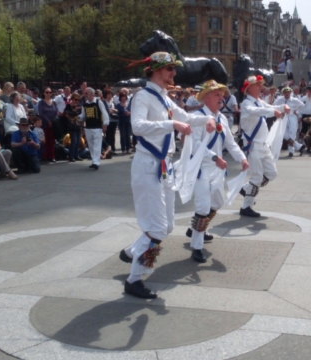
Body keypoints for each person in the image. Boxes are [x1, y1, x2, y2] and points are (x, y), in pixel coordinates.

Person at [118, 52, 217, 299]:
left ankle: (132, 252)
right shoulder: (143, 96)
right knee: (158, 227)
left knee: (168, 225)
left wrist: (208, 119)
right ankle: (134, 279)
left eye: (173, 69)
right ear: (155, 71)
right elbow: (137, 126)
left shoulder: (164, 98)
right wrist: (170, 126)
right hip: (147, 165)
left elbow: (185, 117)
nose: (174, 74)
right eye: (170, 69)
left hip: (164, 166)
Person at [185, 80, 249, 262]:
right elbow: (195, 145)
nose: (221, 98)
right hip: (202, 168)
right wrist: (214, 157)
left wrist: (242, 158)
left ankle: (196, 228)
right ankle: (196, 246)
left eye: (222, 95)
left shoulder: (221, 118)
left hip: (217, 169)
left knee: (218, 202)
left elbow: (230, 142)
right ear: (206, 98)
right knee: (203, 206)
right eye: (217, 95)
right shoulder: (198, 117)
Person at [238, 75, 290, 217]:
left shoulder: (259, 101)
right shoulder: (246, 104)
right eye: (257, 85)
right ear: (249, 88)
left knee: (272, 173)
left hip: (263, 144)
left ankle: (246, 189)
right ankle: (246, 206)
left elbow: (270, 107)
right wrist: (273, 112)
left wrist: (282, 107)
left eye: (260, 84)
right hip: (252, 144)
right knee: (256, 177)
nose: (260, 87)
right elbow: (258, 111)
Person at [79, 87, 109, 170]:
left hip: (97, 127)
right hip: (88, 127)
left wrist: (105, 124)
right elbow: (83, 115)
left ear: (92, 94)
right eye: (84, 93)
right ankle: (94, 160)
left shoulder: (99, 102)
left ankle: (96, 162)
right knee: (91, 145)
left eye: (86, 93)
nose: (85, 95)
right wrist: (77, 117)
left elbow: (104, 113)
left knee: (97, 145)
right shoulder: (85, 104)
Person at [274, 87, 305, 157]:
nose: (287, 93)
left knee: (292, 133)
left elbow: (302, 106)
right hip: (283, 117)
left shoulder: (294, 100)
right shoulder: (280, 100)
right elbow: (274, 106)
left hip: (292, 117)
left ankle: (291, 151)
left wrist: (297, 112)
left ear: (290, 93)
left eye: (288, 92)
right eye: (285, 92)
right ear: (283, 93)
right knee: (284, 134)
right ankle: (299, 146)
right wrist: (279, 112)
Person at [36, 87, 59, 163]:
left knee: (51, 141)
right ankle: (44, 156)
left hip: (53, 124)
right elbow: (41, 113)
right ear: (43, 93)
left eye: (50, 92)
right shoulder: (41, 102)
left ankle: (52, 156)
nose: (49, 94)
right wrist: (48, 121)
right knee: (44, 141)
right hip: (44, 124)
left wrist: (52, 121)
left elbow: (56, 113)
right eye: (47, 92)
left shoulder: (54, 102)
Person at [103, 90, 118, 155]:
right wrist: (108, 111)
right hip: (107, 120)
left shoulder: (113, 102)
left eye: (111, 94)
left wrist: (114, 110)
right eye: (108, 94)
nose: (109, 96)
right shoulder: (104, 102)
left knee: (113, 135)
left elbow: (117, 110)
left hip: (113, 120)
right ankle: (107, 149)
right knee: (108, 135)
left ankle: (113, 149)